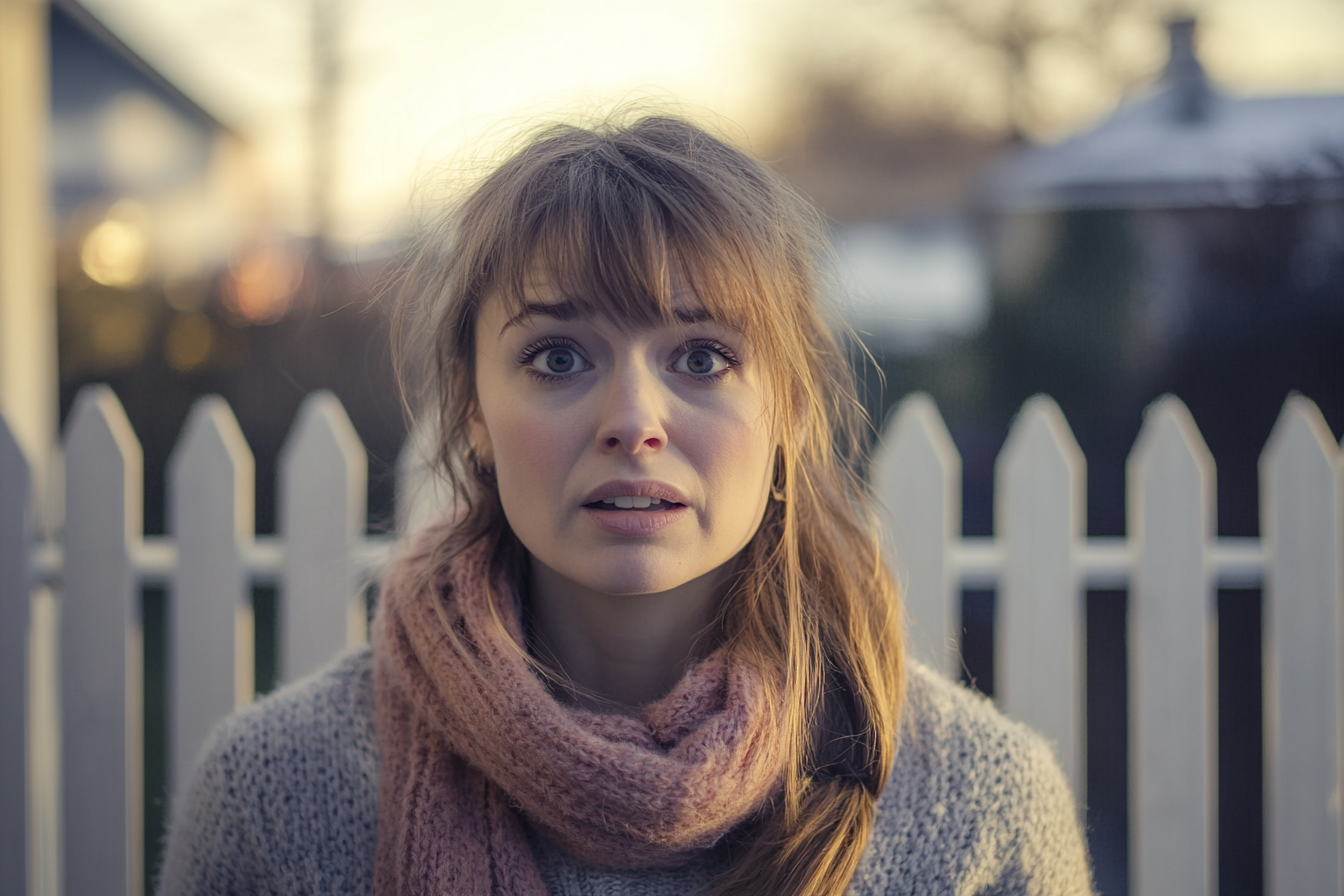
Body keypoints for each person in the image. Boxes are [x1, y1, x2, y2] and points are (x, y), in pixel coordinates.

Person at [157, 115, 1095, 895]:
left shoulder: (982, 807)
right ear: (472, 408)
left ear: (791, 410)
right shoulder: (276, 794)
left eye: (702, 357)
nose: (633, 422)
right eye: (559, 357)